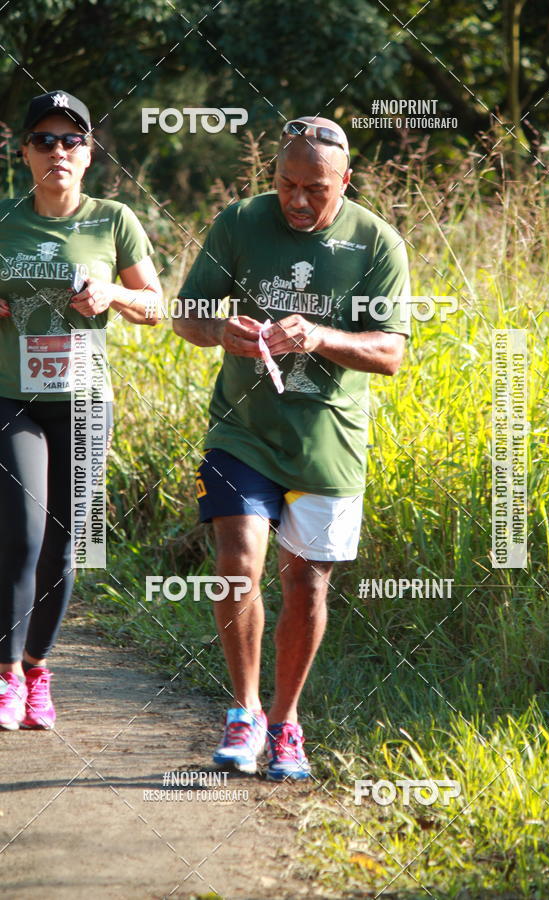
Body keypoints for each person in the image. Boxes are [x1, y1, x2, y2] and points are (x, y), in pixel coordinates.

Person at [173, 116, 411, 780]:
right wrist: (226, 332)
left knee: (305, 584)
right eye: (286, 183)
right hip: (242, 430)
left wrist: (320, 337)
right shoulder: (240, 222)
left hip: (327, 442)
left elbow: (390, 353)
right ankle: (244, 712)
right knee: (237, 559)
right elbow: (184, 313)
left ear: (347, 182)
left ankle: (286, 723)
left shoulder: (376, 242)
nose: (299, 200)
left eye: (316, 189)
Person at [0, 90, 162, 730]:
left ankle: (38, 670)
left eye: (71, 141)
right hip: (12, 398)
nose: (58, 151)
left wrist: (113, 293)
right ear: (24, 152)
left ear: (90, 153)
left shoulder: (114, 220)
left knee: (64, 547)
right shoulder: (5, 220)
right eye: (45, 139)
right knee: (22, 534)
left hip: (85, 403)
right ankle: (5, 676)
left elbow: (157, 306)